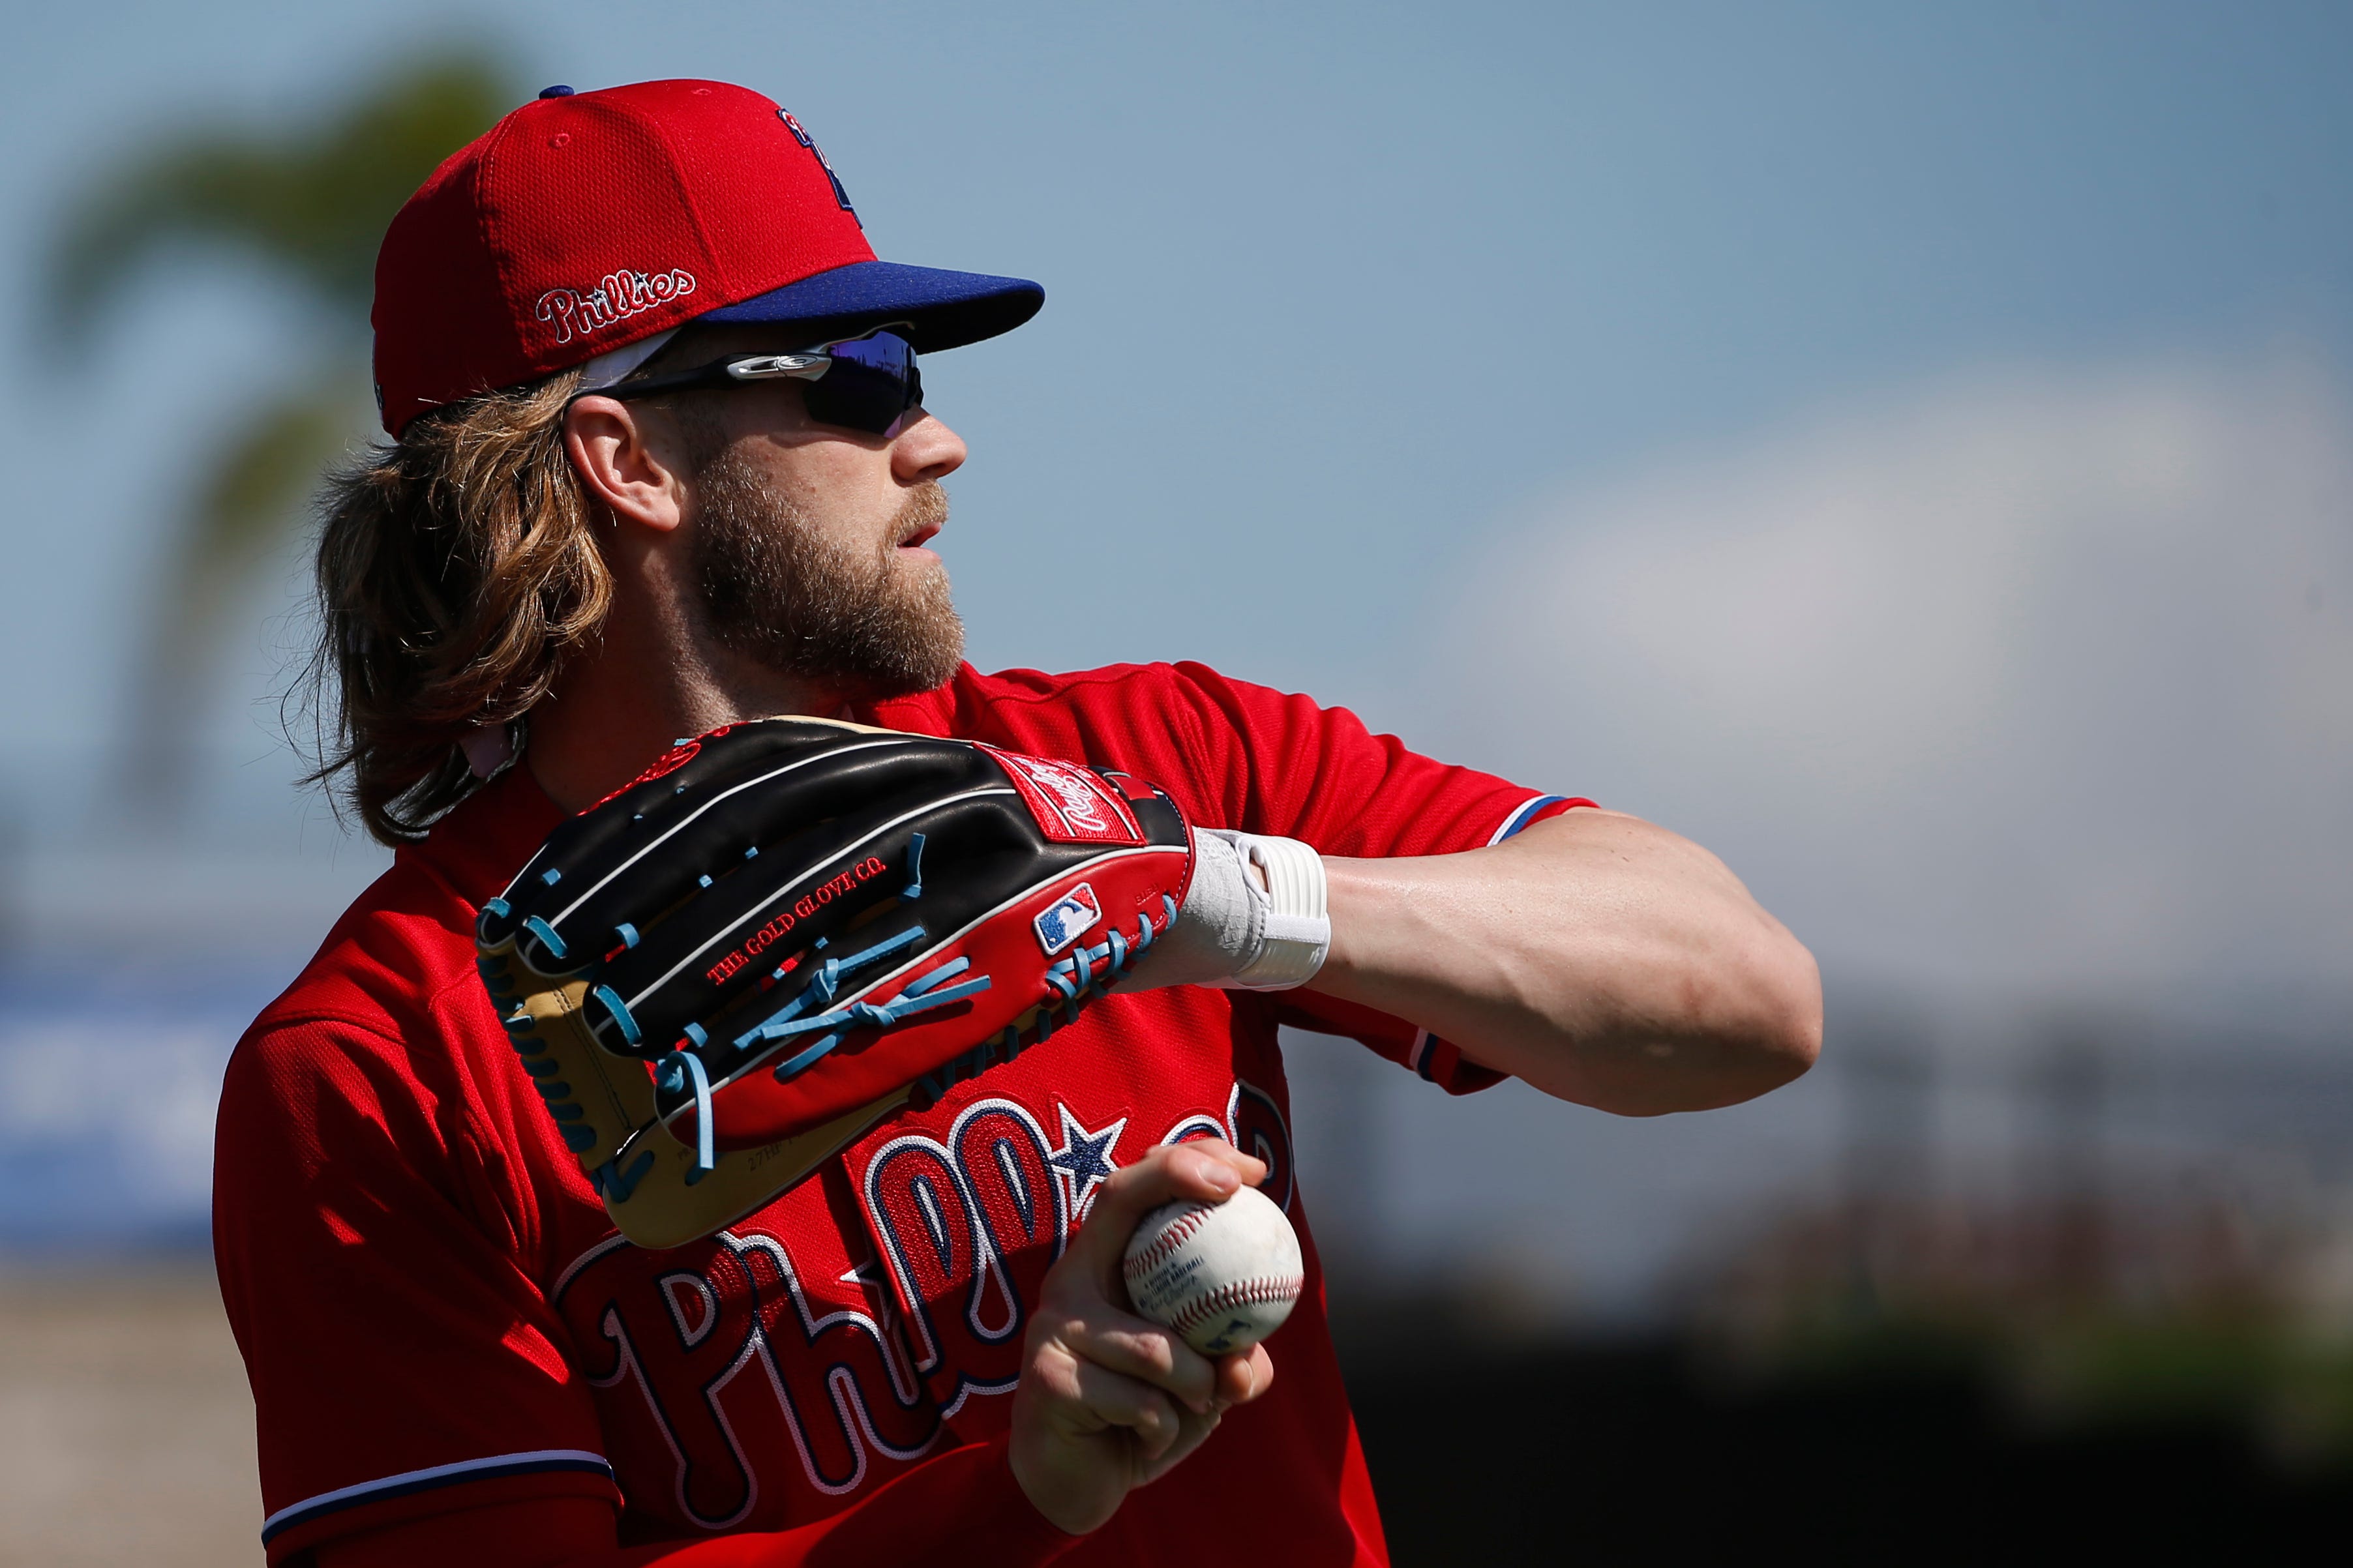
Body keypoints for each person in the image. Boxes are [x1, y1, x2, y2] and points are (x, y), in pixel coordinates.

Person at [214, 78, 1821, 1568]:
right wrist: (1019, 1493)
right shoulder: (373, 1069)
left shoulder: (1141, 759)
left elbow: (1745, 1000)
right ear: (625, 460)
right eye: (854, 373)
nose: (936, 434)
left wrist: (1201, 892)